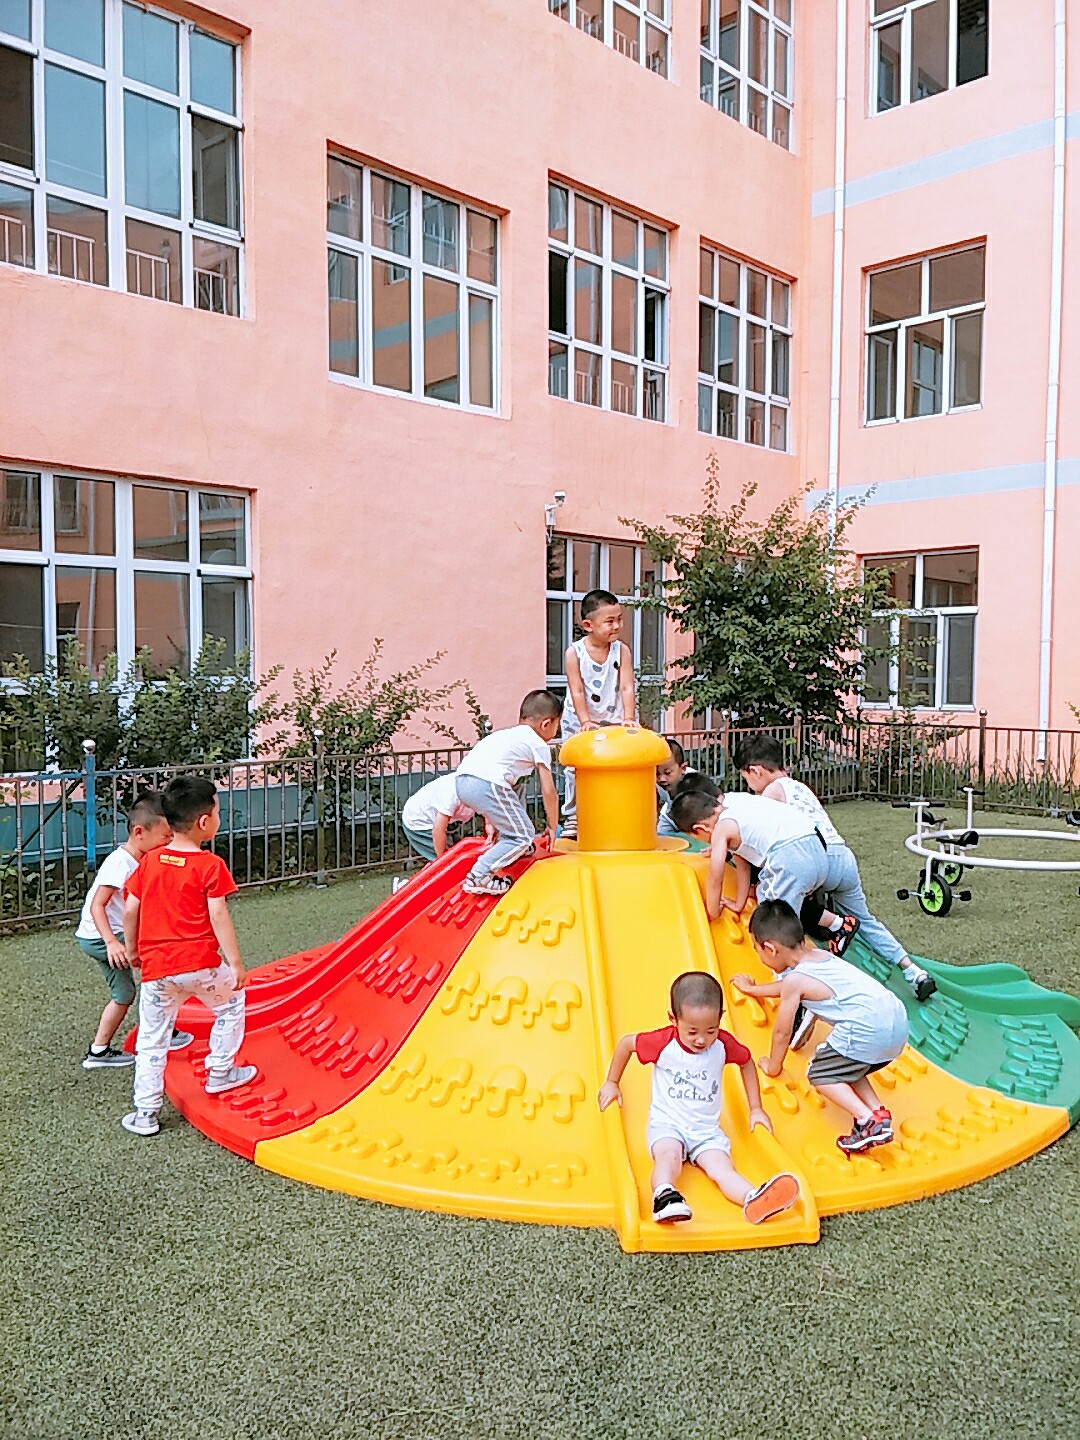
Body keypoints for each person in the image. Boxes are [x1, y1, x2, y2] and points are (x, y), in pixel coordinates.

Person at [733, 733, 936, 1000]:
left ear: (756, 771)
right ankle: (913, 971)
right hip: (842, 857)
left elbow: (761, 836)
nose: (750, 787)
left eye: (746, 779)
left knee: (778, 916)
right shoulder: (800, 787)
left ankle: (788, 985)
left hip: (811, 857)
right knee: (866, 920)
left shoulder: (771, 793)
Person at [597, 971, 799, 1225]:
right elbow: (627, 1044)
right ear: (673, 1019)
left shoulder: (722, 1044)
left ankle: (752, 1198)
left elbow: (746, 1062)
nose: (702, 1039)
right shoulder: (663, 1043)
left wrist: (756, 1108)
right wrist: (612, 1082)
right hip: (668, 1124)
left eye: (711, 1030)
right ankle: (664, 1195)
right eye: (692, 1032)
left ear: (720, 1019)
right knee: (668, 1157)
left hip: (706, 1131)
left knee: (721, 1168)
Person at [120, 775, 256, 1137]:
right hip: (201, 965)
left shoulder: (150, 861)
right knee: (231, 1005)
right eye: (218, 814)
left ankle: (145, 1112)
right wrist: (235, 962)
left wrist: (133, 949)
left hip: (158, 971)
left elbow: (130, 909)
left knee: (152, 1038)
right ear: (204, 822)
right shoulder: (210, 866)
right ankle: (221, 1071)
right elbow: (218, 914)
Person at [738, 901, 908, 1155]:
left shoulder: (796, 980)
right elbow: (788, 988)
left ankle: (866, 1121)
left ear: (771, 949)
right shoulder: (822, 958)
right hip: (898, 1025)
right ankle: (877, 1114)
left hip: (868, 1029)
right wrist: (754, 990)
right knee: (845, 1065)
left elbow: (782, 1032)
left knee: (820, 1073)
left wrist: (773, 1067)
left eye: (757, 949)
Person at [74, 791, 193, 1069]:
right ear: (139, 832)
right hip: (102, 936)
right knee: (163, 968)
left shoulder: (143, 859)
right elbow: (97, 905)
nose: (168, 842)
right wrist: (112, 943)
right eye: (165, 837)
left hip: (103, 935)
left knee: (124, 993)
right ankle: (161, 1030)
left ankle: (98, 1052)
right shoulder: (121, 862)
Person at [669, 786, 829, 925]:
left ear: (701, 828)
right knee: (769, 897)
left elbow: (715, 876)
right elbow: (743, 867)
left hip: (790, 857)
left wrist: (713, 912)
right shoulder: (737, 812)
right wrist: (739, 904)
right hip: (817, 850)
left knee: (774, 916)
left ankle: (791, 948)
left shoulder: (722, 828)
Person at [454, 691, 561, 897]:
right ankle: (479, 876)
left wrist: (496, 821)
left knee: (515, 803)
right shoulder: (538, 743)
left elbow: (502, 790)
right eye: (558, 725)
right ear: (546, 724)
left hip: (462, 782)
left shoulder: (505, 736)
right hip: (487, 784)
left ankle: (514, 845)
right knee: (523, 835)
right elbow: (549, 791)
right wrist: (553, 826)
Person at [559, 588, 636, 839]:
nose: (617, 626)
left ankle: (613, 811)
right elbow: (577, 689)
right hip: (580, 719)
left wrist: (629, 717)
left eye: (619, 619)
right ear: (588, 625)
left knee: (615, 763)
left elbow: (627, 686)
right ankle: (574, 815)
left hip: (613, 717)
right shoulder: (575, 653)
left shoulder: (621, 650)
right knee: (576, 767)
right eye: (610, 621)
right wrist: (585, 721)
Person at [401, 771, 483, 863]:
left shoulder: (482, 785)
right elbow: (438, 831)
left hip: (447, 818)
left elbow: (489, 813)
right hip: (420, 822)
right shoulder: (450, 795)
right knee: (449, 860)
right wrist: (444, 861)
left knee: (458, 853)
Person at [655, 739, 702, 837]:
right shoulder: (656, 783)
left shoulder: (694, 781)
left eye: (668, 773)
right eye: (657, 774)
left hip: (695, 818)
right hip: (670, 817)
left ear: (683, 768)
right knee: (661, 837)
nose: (661, 779)